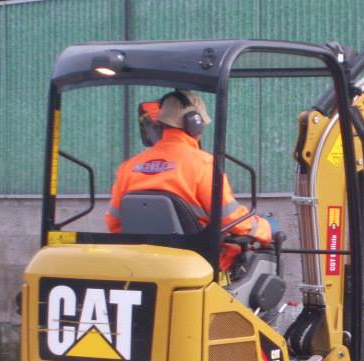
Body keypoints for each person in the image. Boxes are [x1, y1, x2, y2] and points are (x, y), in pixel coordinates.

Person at [105, 90, 271, 270]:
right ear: (195, 124)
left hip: (145, 266)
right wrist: (264, 229)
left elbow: (114, 224)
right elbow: (230, 219)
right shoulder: (204, 164)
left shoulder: (128, 167)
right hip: (197, 265)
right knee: (262, 259)